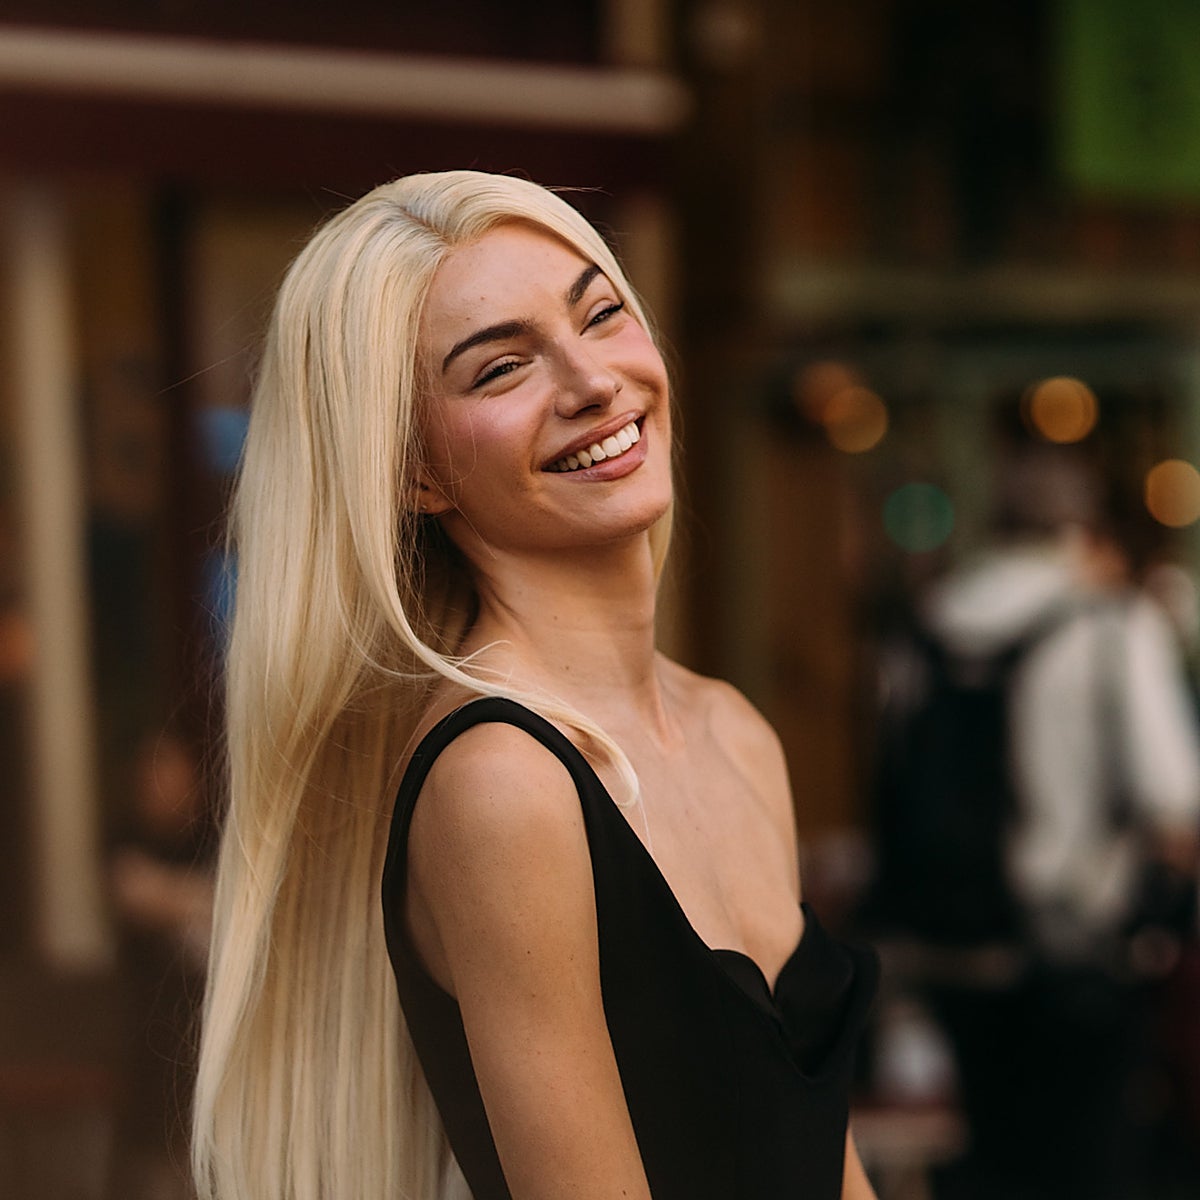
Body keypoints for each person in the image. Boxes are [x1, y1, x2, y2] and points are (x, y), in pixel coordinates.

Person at [190, 170, 879, 1200]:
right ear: (413, 472)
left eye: (600, 314)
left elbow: (826, 1164)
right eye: (502, 368)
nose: (594, 380)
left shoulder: (735, 731)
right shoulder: (502, 781)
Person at [879, 441, 1200, 1200]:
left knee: (989, 1160)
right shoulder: (1112, 624)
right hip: (1079, 948)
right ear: (1080, 528)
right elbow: (1173, 799)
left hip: (951, 945)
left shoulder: (926, 624)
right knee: (1090, 1166)